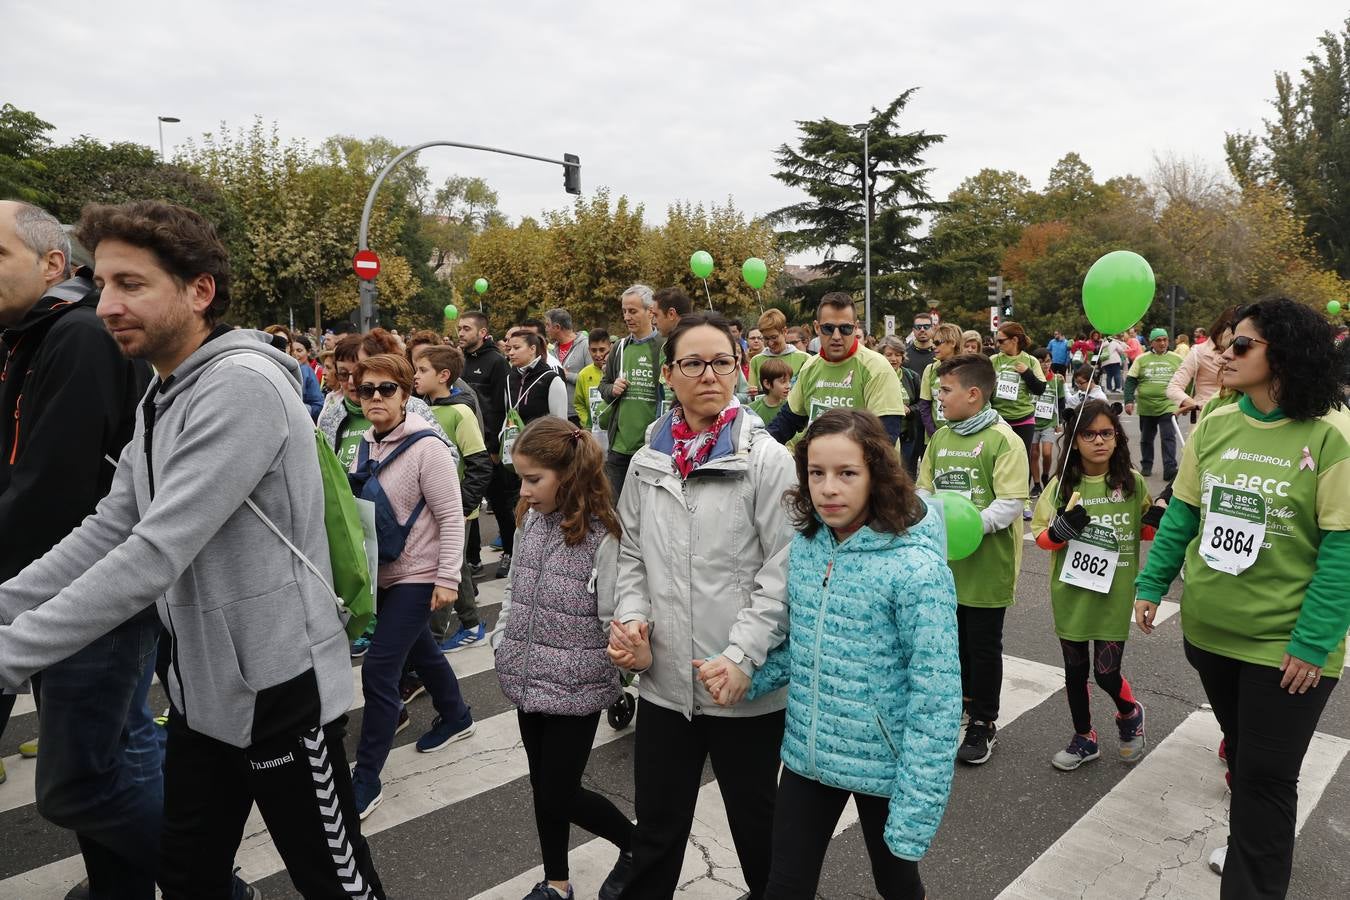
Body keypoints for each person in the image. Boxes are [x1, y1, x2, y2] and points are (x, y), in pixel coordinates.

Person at [0, 200, 382, 899]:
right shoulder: (163, 393)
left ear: (199, 290)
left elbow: (152, 554)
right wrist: (4, 608)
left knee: (336, 884)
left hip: (279, 694)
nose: (106, 303)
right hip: (204, 696)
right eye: (103, 282)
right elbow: (108, 526)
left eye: (132, 284)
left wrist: (8, 655)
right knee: (187, 879)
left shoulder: (241, 386)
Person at [1135, 298, 1350, 895]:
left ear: (1283, 354)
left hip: (1287, 647)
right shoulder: (1219, 422)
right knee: (1247, 762)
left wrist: (1312, 642)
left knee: (1266, 777)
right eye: (1227, 343)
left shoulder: (1334, 433)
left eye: (1241, 346)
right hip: (1209, 635)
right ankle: (1252, 836)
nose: (1224, 354)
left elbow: (1343, 548)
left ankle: (1253, 875)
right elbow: (1183, 511)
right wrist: (1153, 583)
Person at [0, 200, 160, 900]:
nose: (116, 303)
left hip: (85, 597)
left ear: (53, 264)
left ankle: (200, 877)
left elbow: (58, 490)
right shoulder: (33, 336)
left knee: (89, 776)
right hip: (55, 588)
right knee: (103, 765)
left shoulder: (77, 337)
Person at [606, 312, 794, 900]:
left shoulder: (767, 461)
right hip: (665, 686)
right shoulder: (647, 461)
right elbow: (631, 554)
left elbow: (783, 575)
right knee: (657, 833)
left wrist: (743, 657)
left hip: (741, 688)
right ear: (669, 374)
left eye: (722, 362)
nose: (708, 374)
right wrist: (633, 623)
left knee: (760, 837)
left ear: (739, 370)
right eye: (693, 363)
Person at [745, 409, 959, 900]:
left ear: (876, 475)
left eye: (846, 473)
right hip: (809, 755)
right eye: (816, 474)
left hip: (884, 765)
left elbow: (937, 697)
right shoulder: (808, 546)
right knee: (784, 887)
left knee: (897, 885)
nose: (828, 489)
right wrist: (745, 675)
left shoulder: (916, 570)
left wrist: (916, 807)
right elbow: (805, 646)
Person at [489, 418, 635, 900]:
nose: (525, 490)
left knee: (558, 792)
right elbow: (515, 589)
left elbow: (618, 612)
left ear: (569, 475)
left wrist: (617, 665)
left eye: (534, 479)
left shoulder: (605, 536)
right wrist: (502, 638)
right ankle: (556, 882)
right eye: (522, 478)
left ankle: (637, 845)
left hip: (578, 685)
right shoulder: (530, 516)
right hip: (528, 677)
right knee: (542, 788)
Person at [347, 353, 475, 822]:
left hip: (418, 576)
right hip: (380, 574)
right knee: (421, 649)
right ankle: (456, 713)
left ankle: (367, 777)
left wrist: (447, 578)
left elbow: (450, 517)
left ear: (406, 394)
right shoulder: (363, 445)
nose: (376, 397)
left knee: (380, 671)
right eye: (367, 390)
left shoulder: (427, 448)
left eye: (387, 389)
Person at [917, 353, 1030, 765]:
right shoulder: (942, 437)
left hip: (987, 564)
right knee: (954, 643)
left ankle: (984, 722)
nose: (938, 397)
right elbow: (924, 490)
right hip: (946, 563)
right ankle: (961, 706)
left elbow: (1011, 502)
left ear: (974, 394)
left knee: (983, 647)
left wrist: (968, 528)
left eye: (945, 390)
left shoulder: (1004, 439)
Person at [1032, 400, 1153, 770]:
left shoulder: (1132, 483)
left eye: (1106, 432)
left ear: (1117, 436)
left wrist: (1164, 516)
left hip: (1114, 594)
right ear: (1075, 439)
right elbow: (1039, 536)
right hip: (1071, 593)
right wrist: (1059, 531)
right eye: (1089, 434)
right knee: (1074, 672)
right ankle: (1084, 737)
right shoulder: (1061, 485)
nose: (1099, 441)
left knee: (1105, 673)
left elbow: (1146, 529)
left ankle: (1129, 712)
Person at [413, 345, 492, 651]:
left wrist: (462, 505)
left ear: (444, 376)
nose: (415, 376)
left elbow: (479, 463)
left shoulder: (461, 411)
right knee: (456, 568)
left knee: (442, 572)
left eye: (422, 371)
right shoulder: (420, 408)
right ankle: (472, 624)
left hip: (457, 510)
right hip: (430, 508)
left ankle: (434, 639)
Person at [766, 294, 907, 445]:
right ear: (817, 328)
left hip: (867, 466)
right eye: (828, 328)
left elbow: (885, 437)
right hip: (821, 464)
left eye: (845, 328)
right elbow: (788, 420)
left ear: (856, 328)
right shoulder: (809, 367)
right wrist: (761, 444)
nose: (836, 336)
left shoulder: (878, 368)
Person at [459, 311, 515, 576]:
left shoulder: (496, 362)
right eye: (459, 328)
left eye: (466, 328)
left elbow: (501, 409)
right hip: (465, 444)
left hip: (488, 448)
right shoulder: (460, 361)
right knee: (469, 505)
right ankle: (472, 558)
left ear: (482, 332)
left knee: (500, 505)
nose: (461, 333)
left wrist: (494, 447)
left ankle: (511, 553)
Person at [598, 284, 664, 499]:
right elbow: (603, 385)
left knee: (647, 512)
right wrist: (612, 389)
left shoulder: (663, 346)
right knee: (613, 510)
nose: (627, 317)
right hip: (619, 447)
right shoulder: (619, 347)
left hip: (651, 447)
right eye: (624, 311)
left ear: (650, 311)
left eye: (633, 311)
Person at [1125, 328, 1184, 479]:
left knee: (1168, 436)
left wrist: (1185, 400)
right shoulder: (1141, 359)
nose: (1162, 343)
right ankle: (1146, 465)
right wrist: (1129, 400)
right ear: (1151, 342)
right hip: (1147, 406)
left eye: (1165, 340)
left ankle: (1170, 468)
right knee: (1146, 438)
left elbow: (1185, 379)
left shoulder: (1176, 359)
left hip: (1168, 404)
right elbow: (1131, 380)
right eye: (1158, 340)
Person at [990, 322, 1047, 470]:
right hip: (999, 419)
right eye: (997, 341)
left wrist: (1027, 373)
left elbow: (1040, 389)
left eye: (1001, 341)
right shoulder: (994, 360)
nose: (998, 344)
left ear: (1014, 340)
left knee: (1022, 461)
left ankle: (1022, 493)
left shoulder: (1030, 360)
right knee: (998, 460)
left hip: (1023, 419)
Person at [1169, 307, 1237, 416]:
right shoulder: (1199, 352)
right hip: (1205, 417)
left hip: (1236, 417)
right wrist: (1195, 405)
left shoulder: (1243, 353)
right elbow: (1174, 387)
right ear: (1222, 329)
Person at [916, 323, 965, 440]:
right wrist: (933, 434)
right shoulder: (930, 369)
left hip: (962, 436)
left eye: (937, 343)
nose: (933, 346)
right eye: (933, 342)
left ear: (952, 343)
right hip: (934, 436)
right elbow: (924, 406)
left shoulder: (968, 368)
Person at [880, 335, 922, 471]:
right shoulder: (875, 376)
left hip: (907, 436)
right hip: (882, 437)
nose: (893, 359)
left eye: (898, 355)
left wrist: (910, 410)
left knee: (906, 474)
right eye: (889, 354)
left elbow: (923, 404)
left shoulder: (912, 376)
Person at [265, 324, 323, 420]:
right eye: (276, 342)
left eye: (286, 343)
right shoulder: (258, 371)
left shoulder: (305, 371)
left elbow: (318, 406)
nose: (281, 347)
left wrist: (295, 411)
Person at [1030, 346, 1064, 497]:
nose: (1045, 364)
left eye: (1048, 361)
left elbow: (1061, 401)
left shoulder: (1057, 380)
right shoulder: (1030, 379)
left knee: (1047, 453)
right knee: (1034, 454)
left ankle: (1045, 475)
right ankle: (1036, 484)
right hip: (1031, 421)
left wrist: (1060, 422)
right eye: (1041, 361)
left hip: (1049, 422)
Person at [749, 308, 809, 392]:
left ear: (784, 331)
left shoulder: (805, 359)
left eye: (774, 337)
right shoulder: (756, 361)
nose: (770, 343)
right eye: (766, 338)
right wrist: (752, 393)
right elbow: (752, 395)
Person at [573, 327, 611, 434]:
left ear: (610, 347)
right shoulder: (583, 375)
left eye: (602, 350)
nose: (598, 354)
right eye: (594, 350)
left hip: (614, 430)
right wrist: (586, 424)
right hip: (594, 432)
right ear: (589, 349)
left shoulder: (618, 370)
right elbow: (578, 403)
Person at [545, 308, 590, 389]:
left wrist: (567, 375)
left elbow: (592, 379)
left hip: (577, 401)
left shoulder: (586, 346)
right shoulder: (551, 350)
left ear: (557, 327)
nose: (546, 329)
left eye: (548, 325)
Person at [748, 356, 792, 426]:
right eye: (783, 382)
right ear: (767, 384)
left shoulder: (792, 408)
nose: (788, 386)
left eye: (789, 381)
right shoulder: (751, 410)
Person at [903, 312, 937, 377]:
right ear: (913, 330)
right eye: (918, 327)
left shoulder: (939, 353)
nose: (922, 330)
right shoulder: (904, 355)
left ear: (932, 328)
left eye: (926, 327)